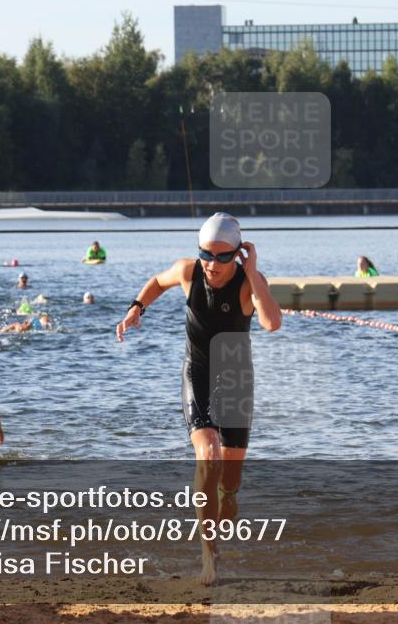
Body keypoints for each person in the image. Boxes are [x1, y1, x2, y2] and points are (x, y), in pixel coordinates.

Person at [116, 212, 282, 585]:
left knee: (230, 485)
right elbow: (158, 282)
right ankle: (209, 556)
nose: (212, 264)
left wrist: (253, 272)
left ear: (238, 255)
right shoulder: (188, 271)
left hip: (237, 383)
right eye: (207, 254)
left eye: (224, 257)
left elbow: (272, 322)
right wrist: (136, 309)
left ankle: (227, 498)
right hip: (198, 375)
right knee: (208, 454)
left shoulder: (247, 284)